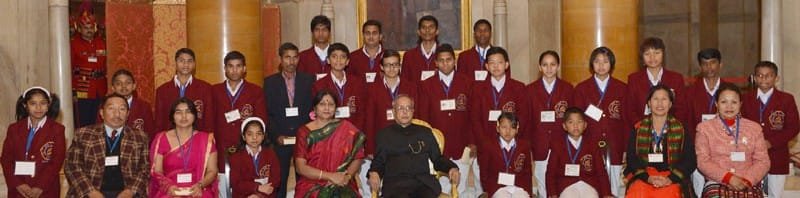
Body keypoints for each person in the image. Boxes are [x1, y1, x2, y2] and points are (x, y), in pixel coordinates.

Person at [416, 44, 480, 196]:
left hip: (461, 145)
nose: (445, 63)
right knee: (440, 189)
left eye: (449, 60)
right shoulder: (426, 85)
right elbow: (423, 118)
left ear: (454, 61)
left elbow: (474, 115)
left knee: (461, 188)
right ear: (436, 63)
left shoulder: (467, 83)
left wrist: (473, 141)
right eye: (441, 60)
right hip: (437, 149)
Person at [368, 94, 460, 197]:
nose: (405, 111)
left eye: (408, 108)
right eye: (400, 108)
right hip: (396, 186)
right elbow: (379, 162)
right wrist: (374, 173)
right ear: (393, 112)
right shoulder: (384, 135)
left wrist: (451, 167)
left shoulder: (425, 132)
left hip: (423, 184)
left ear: (413, 111)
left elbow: (438, 159)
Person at [65, 93, 149, 197]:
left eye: (122, 109)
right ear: (101, 113)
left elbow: (145, 168)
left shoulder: (140, 136)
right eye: (111, 109)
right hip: (90, 192)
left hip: (127, 192)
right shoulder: (83, 134)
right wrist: (91, 192)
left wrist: (130, 191)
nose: (117, 114)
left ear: (128, 114)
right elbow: (72, 166)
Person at [572, 46, 629, 197]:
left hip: (615, 146)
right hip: (589, 146)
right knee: (591, 188)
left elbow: (626, 121)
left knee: (614, 189)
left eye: (605, 61)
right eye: (597, 61)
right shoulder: (581, 89)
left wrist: (625, 148)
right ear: (592, 64)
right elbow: (576, 121)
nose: (601, 65)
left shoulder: (622, 88)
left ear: (611, 64)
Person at [361, 49, 418, 197]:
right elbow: (369, 119)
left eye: (395, 65)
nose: (391, 69)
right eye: (387, 65)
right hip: (382, 145)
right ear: (381, 67)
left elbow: (417, 116)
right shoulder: (372, 89)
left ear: (400, 66)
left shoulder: (411, 86)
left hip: (407, 143)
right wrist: (370, 148)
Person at [696, 84, 770, 197]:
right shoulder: (704, 128)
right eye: (724, 102)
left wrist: (747, 180)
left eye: (734, 102)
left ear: (740, 104)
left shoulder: (754, 128)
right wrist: (728, 178)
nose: (729, 106)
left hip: (748, 182)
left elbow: (763, 161)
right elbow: (703, 161)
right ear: (716, 104)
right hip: (717, 182)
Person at [624, 85, 696, 198]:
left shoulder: (681, 129)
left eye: (664, 99)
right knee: (637, 192)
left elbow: (690, 161)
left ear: (670, 104)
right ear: (648, 103)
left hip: (672, 178)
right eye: (655, 99)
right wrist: (648, 178)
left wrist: (669, 179)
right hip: (645, 177)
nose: (660, 104)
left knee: (669, 193)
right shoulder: (638, 128)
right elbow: (632, 159)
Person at [741, 61, 799, 198]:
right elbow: (741, 124)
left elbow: (794, 127)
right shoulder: (746, 98)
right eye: (760, 75)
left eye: (768, 76)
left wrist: (771, 142)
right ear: (754, 78)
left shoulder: (786, 99)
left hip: (777, 156)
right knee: (751, 193)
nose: (764, 79)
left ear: (776, 78)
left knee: (774, 194)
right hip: (751, 156)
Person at [263, 42, 314, 198]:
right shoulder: (270, 82)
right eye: (287, 57)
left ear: (298, 59)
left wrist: (307, 134)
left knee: (305, 180)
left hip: (303, 138)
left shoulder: (309, 80)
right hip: (281, 139)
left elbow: (312, 110)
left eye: (294, 58)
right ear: (281, 59)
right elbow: (268, 113)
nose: (291, 62)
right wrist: (276, 135)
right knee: (280, 180)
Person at [293, 90, 365, 197]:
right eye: (322, 104)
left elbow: (358, 156)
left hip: (342, 181)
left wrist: (347, 176)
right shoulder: (304, 132)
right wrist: (330, 176)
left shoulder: (347, 128)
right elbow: (300, 167)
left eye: (331, 104)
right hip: (312, 184)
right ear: (314, 108)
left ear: (336, 108)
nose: (327, 108)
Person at [1, 87, 65, 198]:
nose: (38, 107)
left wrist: (40, 186)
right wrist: (18, 184)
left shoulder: (57, 129)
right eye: (33, 103)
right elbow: (6, 159)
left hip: (46, 190)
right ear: (25, 105)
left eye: (43, 103)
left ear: (48, 105)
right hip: (18, 190)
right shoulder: (14, 128)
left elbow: (56, 161)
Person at [527, 50, 574, 198]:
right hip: (539, 143)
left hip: (561, 143)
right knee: (542, 184)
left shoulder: (567, 88)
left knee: (560, 183)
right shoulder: (529, 90)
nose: (549, 68)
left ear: (558, 66)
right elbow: (527, 120)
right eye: (545, 65)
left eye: (552, 64)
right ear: (539, 67)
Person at [149, 98, 219, 197]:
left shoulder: (206, 139)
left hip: (198, 189)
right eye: (178, 112)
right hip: (170, 190)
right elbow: (156, 171)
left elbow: (212, 170)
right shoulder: (161, 138)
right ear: (172, 116)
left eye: (188, 112)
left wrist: (200, 185)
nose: (184, 116)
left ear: (195, 116)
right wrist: (169, 187)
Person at [684, 48, 730, 197]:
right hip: (698, 149)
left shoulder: (729, 90)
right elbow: (686, 121)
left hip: (724, 149)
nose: (709, 67)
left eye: (713, 63)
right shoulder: (690, 92)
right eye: (705, 64)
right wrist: (694, 146)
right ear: (700, 66)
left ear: (720, 64)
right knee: (697, 188)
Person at [212, 51, 268, 172]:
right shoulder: (214, 91)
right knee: (222, 184)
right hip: (221, 145)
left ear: (244, 68)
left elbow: (261, 120)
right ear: (225, 69)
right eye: (230, 66)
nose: (234, 70)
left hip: (245, 146)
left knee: (245, 181)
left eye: (238, 66)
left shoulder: (255, 91)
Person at [546, 107, 613, 198]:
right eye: (571, 122)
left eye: (579, 122)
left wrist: (606, 194)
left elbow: (601, 172)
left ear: (585, 125)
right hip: (566, 185)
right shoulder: (557, 145)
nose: (575, 126)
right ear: (564, 126)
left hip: (589, 184)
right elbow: (551, 173)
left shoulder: (593, 144)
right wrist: (552, 194)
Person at [469, 46, 529, 141]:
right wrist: (483, 141)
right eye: (492, 63)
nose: (496, 66)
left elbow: (523, 117)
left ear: (506, 65)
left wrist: (511, 138)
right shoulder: (478, 89)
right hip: (485, 143)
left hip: (511, 143)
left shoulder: (519, 88)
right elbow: (475, 119)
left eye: (500, 63)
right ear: (487, 66)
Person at [626, 37, 686, 124]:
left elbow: (682, 108)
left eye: (657, 53)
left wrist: (670, 126)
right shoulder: (634, 79)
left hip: (670, 130)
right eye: (647, 54)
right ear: (642, 57)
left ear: (663, 54)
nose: (652, 57)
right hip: (642, 130)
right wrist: (641, 127)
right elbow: (629, 109)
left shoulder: (676, 79)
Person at [155, 48, 215, 132]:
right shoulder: (162, 91)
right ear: (175, 63)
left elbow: (209, 119)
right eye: (181, 61)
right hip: (170, 139)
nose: (185, 64)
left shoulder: (205, 88)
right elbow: (159, 122)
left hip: (197, 138)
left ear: (194, 64)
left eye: (189, 61)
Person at [311, 43, 368, 131]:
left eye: (342, 57)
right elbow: (318, 113)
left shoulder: (358, 82)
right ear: (328, 60)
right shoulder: (319, 85)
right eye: (334, 56)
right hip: (329, 133)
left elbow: (362, 111)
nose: (338, 60)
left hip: (353, 131)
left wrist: (356, 132)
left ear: (347, 61)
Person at [477, 112, 533, 197]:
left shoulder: (524, 145)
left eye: (512, 127)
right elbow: (484, 171)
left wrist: (529, 191)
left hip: (519, 186)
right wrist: (487, 190)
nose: (508, 131)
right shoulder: (488, 145)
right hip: (497, 187)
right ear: (497, 128)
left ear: (517, 129)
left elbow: (527, 171)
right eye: (504, 127)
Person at [71, 8, 107, 128]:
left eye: (91, 27)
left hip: (101, 89)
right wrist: (72, 90)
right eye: (86, 28)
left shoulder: (102, 43)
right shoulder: (73, 44)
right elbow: (69, 69)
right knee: (84, 121)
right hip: (83, 89)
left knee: (99, 120)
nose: (89, 30)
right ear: (79, 29)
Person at [230, 117, 281, 198]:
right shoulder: (236, 158)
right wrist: (256, 188)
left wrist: (260, 195)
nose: (254, 137)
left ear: (263, 136)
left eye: (258, 134)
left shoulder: (271, 154)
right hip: (244, 195)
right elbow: (236, 183)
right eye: (250, 134)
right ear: (243, 136)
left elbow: (276, 179)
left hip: (266, 195)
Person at [101, 69, 155, 139]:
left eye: (128, 83)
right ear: (113, 88)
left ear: (134, 86)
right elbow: (100, 129)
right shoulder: (105, 105)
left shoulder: (144, 106)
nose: (123, 86)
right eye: (118, 84)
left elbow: (150, 133)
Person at [403, 15, 440, 82]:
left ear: (437, 31)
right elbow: (404, 82)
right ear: (418, 32)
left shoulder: (444, 54)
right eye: (424, 27)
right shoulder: (409, 56)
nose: (427, 30)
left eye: (431, 27)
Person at [298, 15, 333, 80]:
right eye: (317, 30)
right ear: (312, 32)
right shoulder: (303, 57)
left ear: (329, 32)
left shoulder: (337, 55)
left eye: (324, 30)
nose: (320, 33)